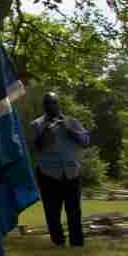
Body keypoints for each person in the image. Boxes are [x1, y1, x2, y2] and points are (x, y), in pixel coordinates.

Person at [29, 92, 92, 247]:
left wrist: (69, 129)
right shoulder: (36, 124)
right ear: (43, 106)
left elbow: (85, 142)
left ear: (59, 104)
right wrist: (46, 132)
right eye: (48, 103)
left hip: (71, 172)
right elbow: (34, 148)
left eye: (54, 102)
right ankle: (58, 242)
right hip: (48, 173)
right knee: (52, 211)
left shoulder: (73, 122)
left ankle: (76, 243)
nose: (51, 106)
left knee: (74, 210)